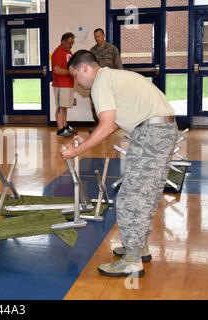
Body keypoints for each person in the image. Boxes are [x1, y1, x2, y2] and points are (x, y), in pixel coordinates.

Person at [62, 50, 177, 277]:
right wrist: (86, 138)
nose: (77, 83)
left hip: (152, 133)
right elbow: (111, 124)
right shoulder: (111, 77)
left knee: (131, 197)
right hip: (161, 128)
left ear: (85, 68)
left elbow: (106, 125)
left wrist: (78, 150)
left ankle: (132, 260)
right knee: (145, 194)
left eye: (75, 76)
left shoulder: (100, 82)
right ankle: (138, 247)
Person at [89, 28, 123, 130]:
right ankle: (98, 124)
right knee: (95, 102)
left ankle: (111, 124)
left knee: (110, 103)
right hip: (96, 81)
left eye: (98, 36)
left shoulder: (112, 49)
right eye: (95, 37)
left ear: (103, 36)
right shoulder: (92, 51)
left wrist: (119, 81)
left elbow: (118, 65)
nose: (97, 38)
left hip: (109, 81)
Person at [51, 32, 77, 137]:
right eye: (69, 43)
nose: (71, 45)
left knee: (64, 107)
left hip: (68, 84)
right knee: (60, 107)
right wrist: (69, 72)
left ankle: (65, 126)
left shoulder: (68, 52)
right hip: (60, 84)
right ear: (63, 42)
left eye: (72, 43)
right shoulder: (58, 53)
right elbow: (57, 70)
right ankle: (60, 129)